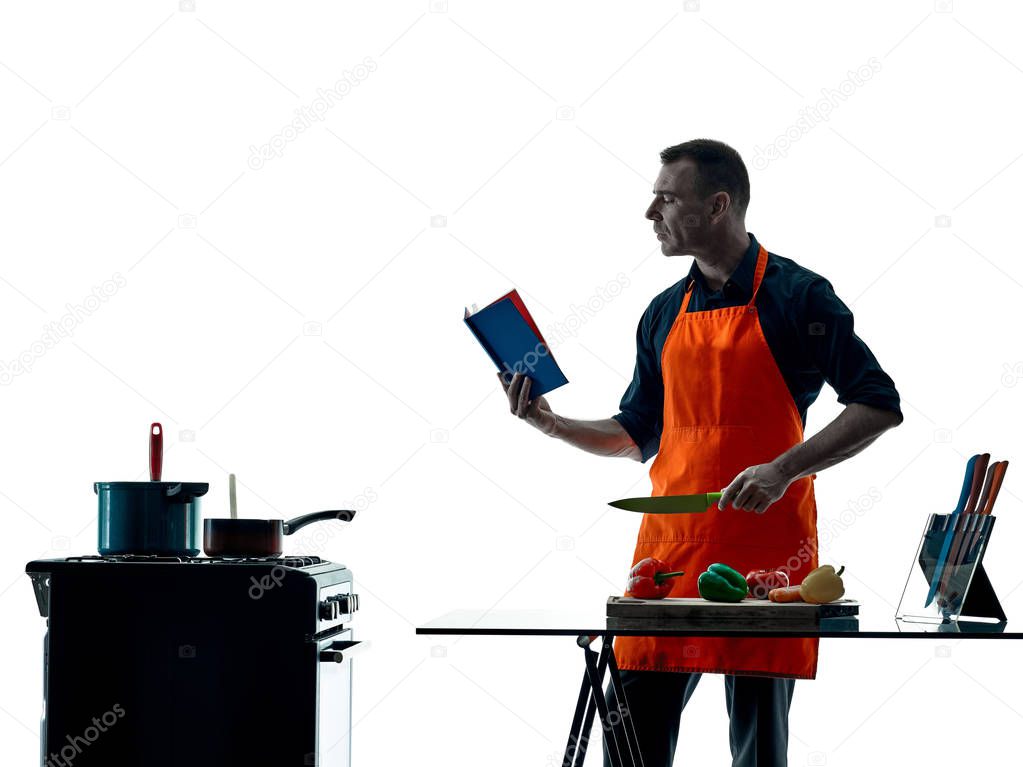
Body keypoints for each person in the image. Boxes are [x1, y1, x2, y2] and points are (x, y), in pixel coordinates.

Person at [498, 138, 903, 766]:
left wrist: (783, 470)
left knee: (759, 750)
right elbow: (636, 434)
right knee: (631, 740)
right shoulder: (663, 312)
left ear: (717, 206)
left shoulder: (801, 298)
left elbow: (877, 404)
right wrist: (554, 425)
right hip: (670, 557)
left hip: (770, 562)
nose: (650, 212)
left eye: (665, 197)